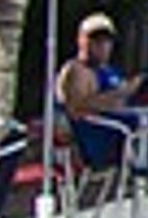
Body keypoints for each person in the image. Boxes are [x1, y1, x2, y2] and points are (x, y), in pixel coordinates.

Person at [55, 15, 138, 179]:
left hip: (124, 131)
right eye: (95, 40)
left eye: (106, 41)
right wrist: (121, 93)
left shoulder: (109, 71)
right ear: (81, 40)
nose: (101, 46)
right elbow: (76, 107)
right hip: (98, 139)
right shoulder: (76, 70)